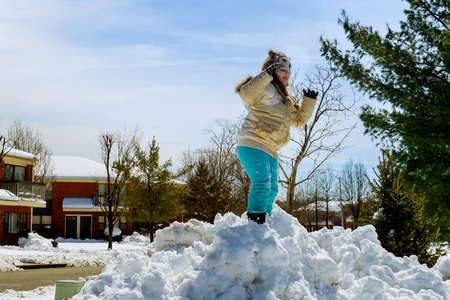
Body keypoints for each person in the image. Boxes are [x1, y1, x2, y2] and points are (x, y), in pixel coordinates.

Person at [235, 49, 318, 224]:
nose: (287, 75)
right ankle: (256, 222)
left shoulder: (284, 98)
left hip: (271, 149)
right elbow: (246, 94)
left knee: (272, 188)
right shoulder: (262, 87)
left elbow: (298, 121)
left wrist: (308, 101)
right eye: (282, 71)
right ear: (271, 69)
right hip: (252, 142)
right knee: (262, 181)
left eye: (289, 72)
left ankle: (266, 220)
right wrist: (266, 75)